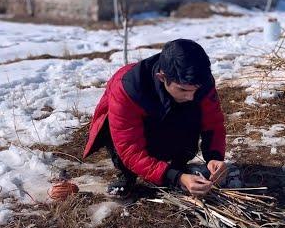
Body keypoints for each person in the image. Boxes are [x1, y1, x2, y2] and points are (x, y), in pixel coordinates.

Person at [82, 39, 227, 197]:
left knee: (192, 110)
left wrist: (214, 157)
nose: (191, 96)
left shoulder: (201, 81)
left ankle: (179, 164)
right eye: (183, 89)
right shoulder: (128, 87)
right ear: (162, 77)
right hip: (139, 135)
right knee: (123, 146)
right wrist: (176, 178)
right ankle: (127, 175)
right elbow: (130, 148)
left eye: (195, 90)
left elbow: (213, 123)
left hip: (168, 126)